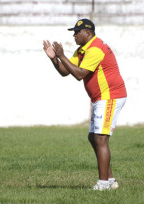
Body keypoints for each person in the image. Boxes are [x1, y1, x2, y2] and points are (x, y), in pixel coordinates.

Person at [43, 19, 127, 191]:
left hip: (110, 96)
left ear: (87, 33)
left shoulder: (95, 49)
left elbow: (80, 74)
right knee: (93, 138)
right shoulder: (83, 50)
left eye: (77, 32)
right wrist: (54, 59)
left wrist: (62, 55)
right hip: (101, 97)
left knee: (100, 138)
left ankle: (103, 183)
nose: (73, 35)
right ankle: (110, 180)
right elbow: (66, 72)